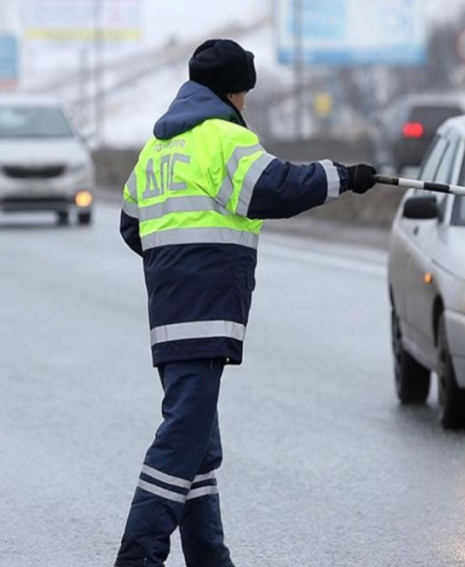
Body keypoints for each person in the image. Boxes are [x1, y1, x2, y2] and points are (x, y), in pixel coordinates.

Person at [115, 39, 377, 567]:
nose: (245, 103)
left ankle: (211, 559)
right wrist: (344, 177)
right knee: (182, 439)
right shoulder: (223, 138)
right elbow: (275, 186)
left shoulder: (158, 146)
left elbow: (130, 223)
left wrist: (173, 260)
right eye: (245, 93)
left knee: (198, 446)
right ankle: (137, 555)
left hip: (170, 312)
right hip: (207, 309)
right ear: (236, 91)